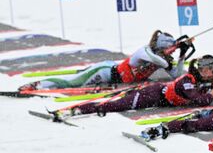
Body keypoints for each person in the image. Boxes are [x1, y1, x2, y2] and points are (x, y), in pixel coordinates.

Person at [54, 55, 213, 121]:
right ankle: (77, 110)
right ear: (201, 69)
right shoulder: (187, 80)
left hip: (160, 96)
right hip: (153, 95)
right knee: (117, 105)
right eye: (209, 68)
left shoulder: (209, 82)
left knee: (119, 104)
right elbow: (201, 100)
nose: (212, 71)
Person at [19, 31, 188, 91]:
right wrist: (171, 53)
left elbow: (176, 74)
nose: (172, 51)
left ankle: (82, 72)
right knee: (72, 83)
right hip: (106, 72)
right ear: (161, 46)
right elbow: (161, 62)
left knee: (79, 78)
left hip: (114, 74)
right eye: (171, 48)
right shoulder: (144, 51)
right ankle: (37, 85)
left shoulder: (162, 57)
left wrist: (182, 55)